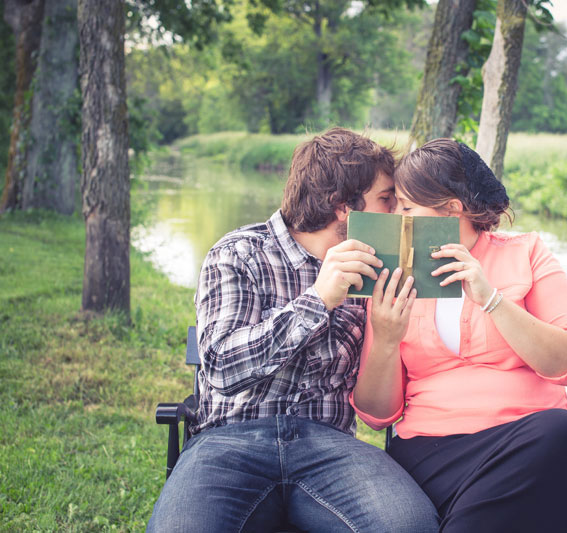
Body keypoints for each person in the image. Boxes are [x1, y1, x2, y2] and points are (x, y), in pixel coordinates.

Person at [147, 128, 439, 533]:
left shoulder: (380, 269)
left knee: (410, 525)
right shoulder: (238, 253)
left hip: (329, 448)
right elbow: (221, 368)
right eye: (387, 200)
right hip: (229, 442)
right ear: (343, 207)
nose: (397, 215)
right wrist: (319, 298)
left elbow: (384, 394)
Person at [351, 138, 567, 532]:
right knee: (565, 449)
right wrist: (386, 338)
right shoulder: (393, 276)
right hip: (435, 447)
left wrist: (492, 300)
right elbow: (376, 413)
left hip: (534, 438)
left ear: (450, 210)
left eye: (407, 207)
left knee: (564, 432)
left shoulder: (527, 253)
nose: (397, 219)